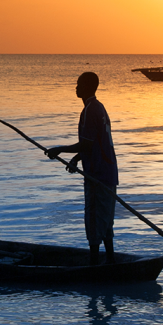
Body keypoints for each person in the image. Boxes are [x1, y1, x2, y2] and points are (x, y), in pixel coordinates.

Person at [46, 72, 119, 265]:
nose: (76, 88)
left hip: (98, 175)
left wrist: (59, 150)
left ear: (88, 87)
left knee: (95, 219)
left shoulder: (89, 111)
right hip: (109, 173)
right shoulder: (99, 108)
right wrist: (76, 159)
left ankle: (94, 264)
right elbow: (93, 144)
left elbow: (86, 145)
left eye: (79, 84)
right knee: (106, 219)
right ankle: (111, 260)